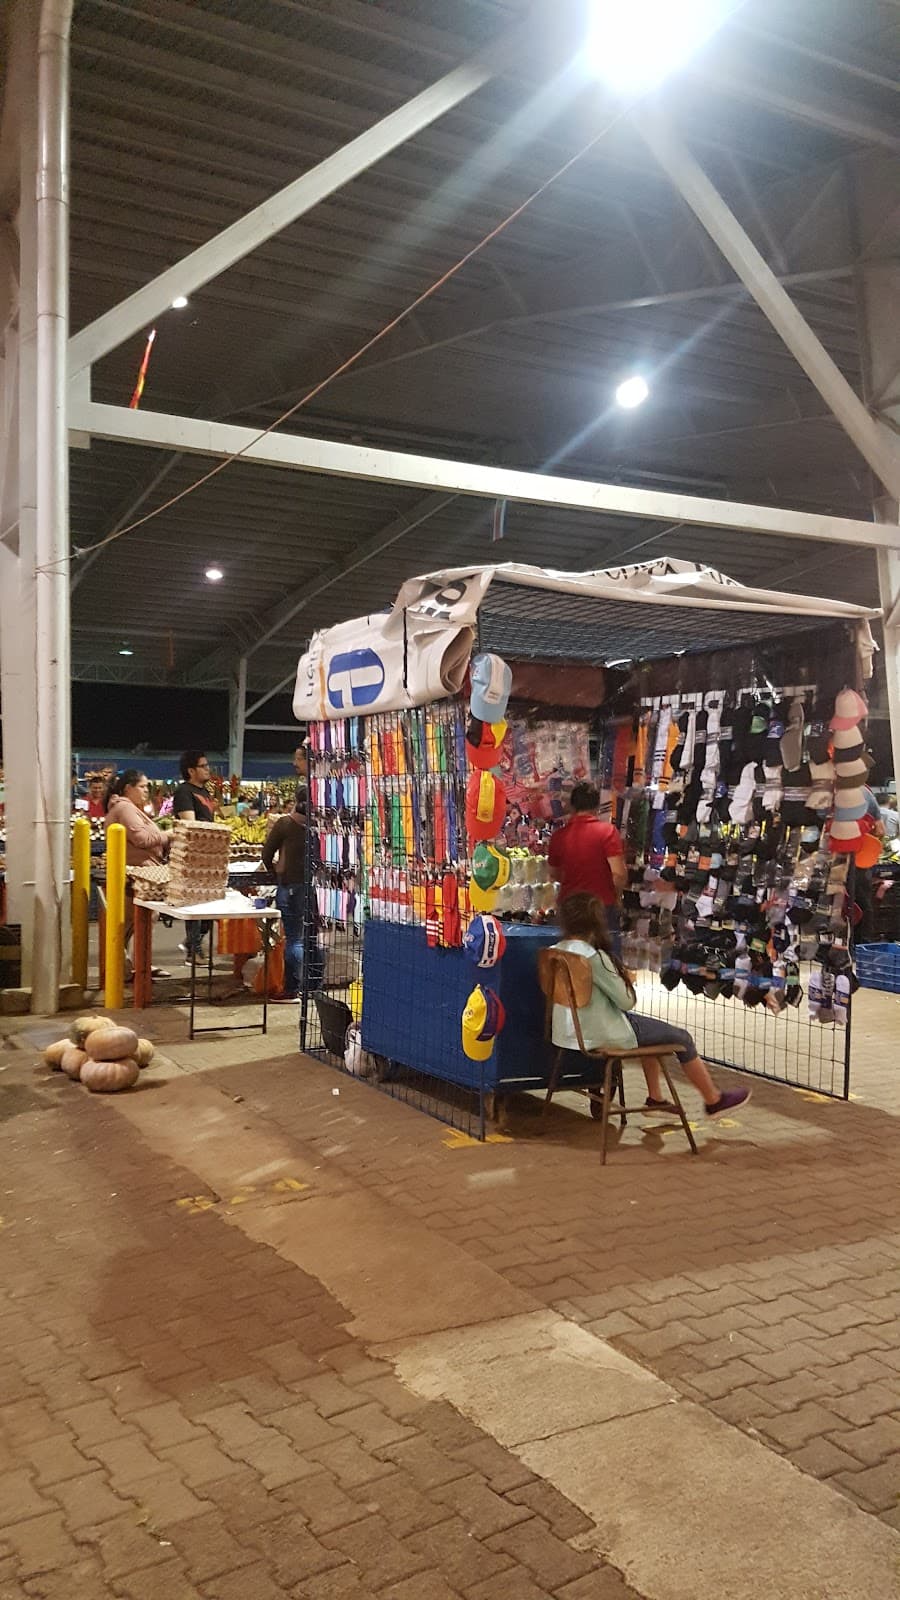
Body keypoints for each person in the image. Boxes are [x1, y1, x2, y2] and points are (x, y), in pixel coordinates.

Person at [551, 894, 752, 1120]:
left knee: (652, 1032)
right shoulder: (594, 958)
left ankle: (655, 1098)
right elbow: (626, 1001)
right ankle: (713, 1100)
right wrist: (626, 980)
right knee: (682, 1038)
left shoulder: (556, 951)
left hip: (567, 1030)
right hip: (601, 1032)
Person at [104, 770, 171, 977]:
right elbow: (141, 838)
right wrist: (167, 835)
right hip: (134, 876)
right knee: (134, 922)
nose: (146, 791)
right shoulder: (125, 808)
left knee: (135, 923)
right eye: (142, 786)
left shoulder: (129, 808)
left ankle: (132, 966)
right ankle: (133, 967)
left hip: (140, 874)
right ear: (128, 788)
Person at [548, 781, 628, 951]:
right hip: (601, 906)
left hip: (569, 907)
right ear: (597, 805)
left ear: (572, 806)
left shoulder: (558, 836)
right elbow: (619, 874)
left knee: (571, 961)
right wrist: (617, 896)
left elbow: (554, 874)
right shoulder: (607, 832)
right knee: (606, 961)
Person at [261, 792, 319, 1003]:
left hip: (290, 885)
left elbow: (267, 854)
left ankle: (292, 989)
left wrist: (274, 872)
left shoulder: (285, 824)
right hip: (315, 888)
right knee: (312, 937)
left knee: (294, 939)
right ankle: (314, 987)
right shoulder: (320, 826)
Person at [172, 750, 216, 960]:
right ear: (191, 770)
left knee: (210, 904)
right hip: (193, 856)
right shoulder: (183, 792)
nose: (208, 769)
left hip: (210, 856)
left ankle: (192, 943)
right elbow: (190, 824)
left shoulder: (206, 792)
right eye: (204, 766)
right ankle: (193, 948)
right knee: (196, 903)